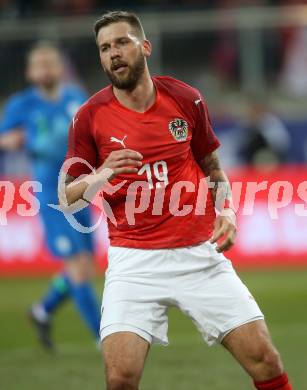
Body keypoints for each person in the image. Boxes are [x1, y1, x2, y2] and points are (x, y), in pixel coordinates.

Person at [62, 11, 292, 390]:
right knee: (120, 378)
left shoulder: (186, 100)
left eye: (121, 42)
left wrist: (228, 210)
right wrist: (102, 174)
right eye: (105, 48)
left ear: (145, 47)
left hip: (198, 256)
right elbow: (66, 197)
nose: (113, 54)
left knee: (266, 361)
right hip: (132, 263)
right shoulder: (89, 117)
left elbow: (211, 164)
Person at [0, 42, 101, 350]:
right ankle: (102, 337)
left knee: (85, 265)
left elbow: (93, 131)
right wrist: (11, 139)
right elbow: (3, 137)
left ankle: (42, 311)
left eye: (50, 63)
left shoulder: (75, 97)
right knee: (79, 266)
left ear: (60, 68)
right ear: (31, 72)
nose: (45, 69)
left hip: (80, 190)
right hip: (50, 195)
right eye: (39, 65)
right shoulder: (22, 104)